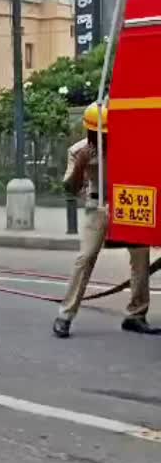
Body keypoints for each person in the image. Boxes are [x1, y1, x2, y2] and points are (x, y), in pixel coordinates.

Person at [52, 103, 157, 337]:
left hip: (125, 202)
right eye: (95, 134)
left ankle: (136, 313)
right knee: (85, 258)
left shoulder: (128, 144)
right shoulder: (78, 150)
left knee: (140, 255)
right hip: (96, 204)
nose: (100, 139)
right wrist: (80, 165)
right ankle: (65, 315)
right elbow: (70, 188)